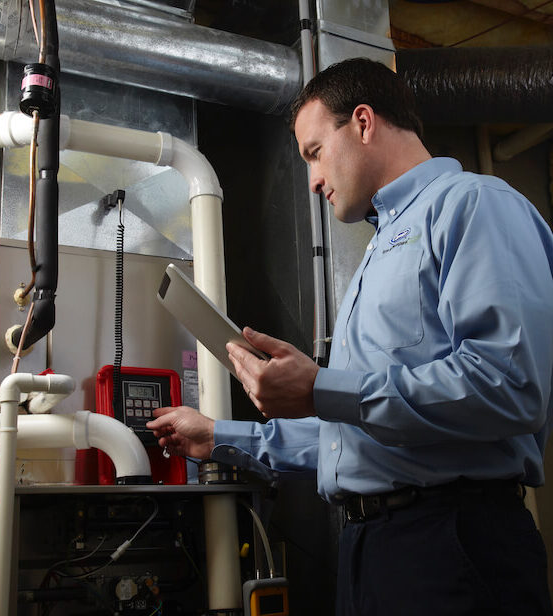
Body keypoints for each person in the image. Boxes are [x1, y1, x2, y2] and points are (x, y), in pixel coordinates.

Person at [148, 58, 553, 615]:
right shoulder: (378, 251)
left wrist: (322, 390)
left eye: (314, 152)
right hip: (372, 551)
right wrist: (219, 436)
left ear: (363, 122)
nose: (313, 180)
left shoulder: (474, 204)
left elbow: (509, 385)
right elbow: (357, 436)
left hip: (452, 546)